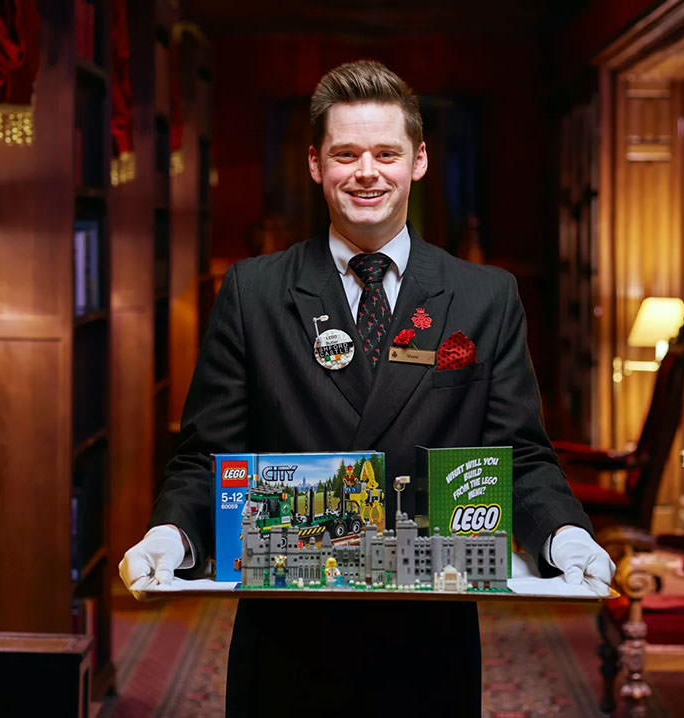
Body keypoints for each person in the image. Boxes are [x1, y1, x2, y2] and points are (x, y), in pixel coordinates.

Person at [120, 59, 614, 717]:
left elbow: (519, 457)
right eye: (345, 153)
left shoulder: (484, 297)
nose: (366, 172)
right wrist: (171, 536)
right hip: (286, 638)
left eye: (386, 153)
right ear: (316, 165)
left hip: (429, 641)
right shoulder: (254, 292)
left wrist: (564, 537)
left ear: (419, 162)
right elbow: (206, 458)